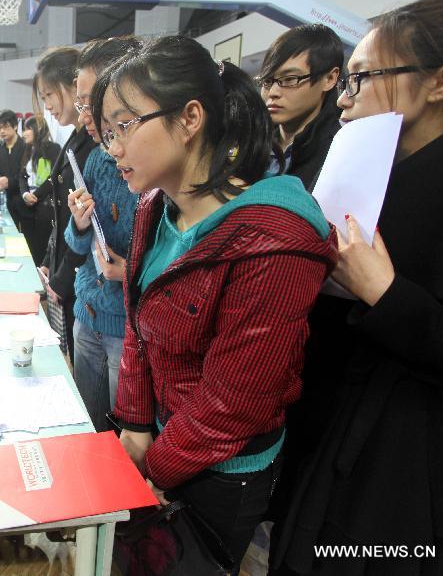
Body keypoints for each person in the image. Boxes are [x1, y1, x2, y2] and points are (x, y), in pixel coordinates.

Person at [92, 35, 337, 569]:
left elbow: (235, 403)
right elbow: (139, 322)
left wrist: (151, 468)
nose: (113, 148)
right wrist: (134, 427)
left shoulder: (273, 236)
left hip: (223, 468)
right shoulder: (155, 209)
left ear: (189, 118)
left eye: (125, 125)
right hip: (160, 437)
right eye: (108, 132)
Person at [270, 0, 443, 573]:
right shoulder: (368, 172)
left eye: (363, 79)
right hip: (322, 424)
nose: (345, 99)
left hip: (396, 463)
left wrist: (386, 293)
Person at [64, 36, 141, 432]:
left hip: (125, 330)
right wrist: (78, 223)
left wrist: (127, 273)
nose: (84, 116)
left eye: (90, 101)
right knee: (85, 429)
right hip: (86, 316)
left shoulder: (150, 166)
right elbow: (76, 244)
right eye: (79, 104)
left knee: (118, 441)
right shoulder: (94, 158)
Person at [30, 47, 97, 360]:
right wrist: (48, 258)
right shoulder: (75, 138)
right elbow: (63, 213)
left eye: (49, 95)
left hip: (85, 276)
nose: (47, 107)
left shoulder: (93, 144)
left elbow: (89, 221)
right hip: (67, 265)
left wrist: (63, 274)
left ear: (73, 86)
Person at [257, 24, 344, 189]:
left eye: (289, 79)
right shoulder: (254, 147)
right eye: (267, 81)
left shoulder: (340, 153)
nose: (273, 92)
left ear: (329, 79)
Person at [17, 115, 60, 265]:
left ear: (38, 129)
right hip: (28, 207)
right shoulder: (28, 150)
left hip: (45, 208)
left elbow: (53, 177)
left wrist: (35, 195)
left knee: (42, 250)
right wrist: (24, 194)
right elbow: (22, 176)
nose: (24, 134)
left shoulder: (52, 148)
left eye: (27, 129)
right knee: (31, 249)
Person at [0, 109, 27, 228]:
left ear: (15, 126)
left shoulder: (26, 147)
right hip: (2, 200)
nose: (2, 131)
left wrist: (9, 182)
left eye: (6, 127)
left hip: (24, 200)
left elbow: (27, 174)